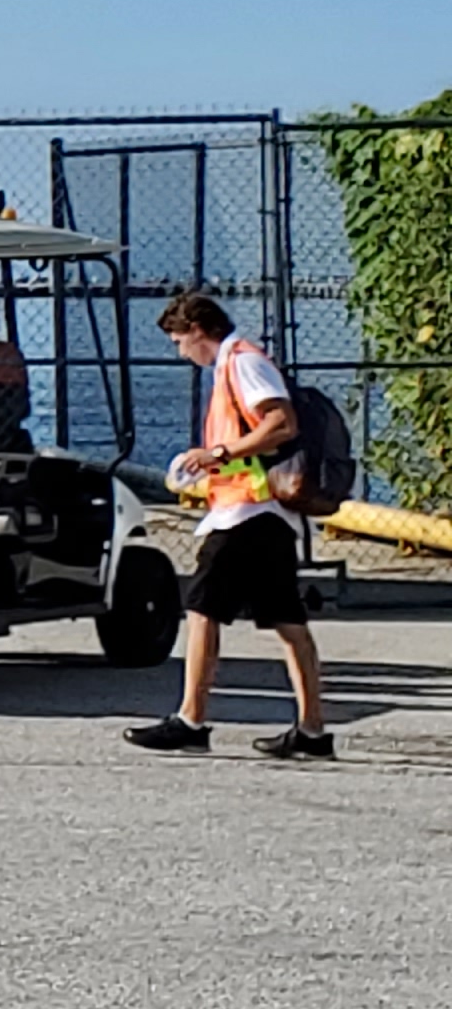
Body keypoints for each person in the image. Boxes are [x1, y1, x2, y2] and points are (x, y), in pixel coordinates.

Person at [127, 290, 331, 759]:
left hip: (247, 510)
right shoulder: (237, 361)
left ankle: (191, 720)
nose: (181, 353)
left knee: (201, 609)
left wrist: (217, 454)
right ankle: (313, 731)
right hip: (260, 512)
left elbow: (281, 423)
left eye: (180, 341)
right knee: (287, 620)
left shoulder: (241, 361)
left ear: (199, 331)